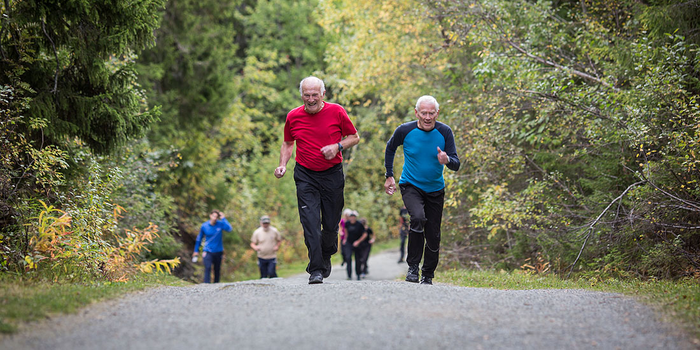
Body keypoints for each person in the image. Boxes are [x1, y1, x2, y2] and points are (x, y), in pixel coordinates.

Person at [274, 76, 360, 284]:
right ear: (301, 95)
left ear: (323, 94)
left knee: (330, 224)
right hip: (305, 175)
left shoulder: (337, 111)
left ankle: (327, 252)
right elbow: (287, 142)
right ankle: (316, 269)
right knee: (310, 223)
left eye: (314, 95)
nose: (310, 99)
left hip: (332, 174)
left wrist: (337, 146)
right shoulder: (293, 116)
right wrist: (283, 164)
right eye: (306, 95)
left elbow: (354, 137)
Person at [384, 95, 460, 285]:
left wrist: (447, 160)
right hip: (411, 185)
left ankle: (428, 274)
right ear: (416, 112)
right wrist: (389, 175)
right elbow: (390, 148)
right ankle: (412, 268)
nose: (427, 117)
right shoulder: (405, 130)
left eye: (431, 113)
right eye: (424, 113)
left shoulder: (445, 132)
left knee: (433, 234)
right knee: (417, 218)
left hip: (435, 189)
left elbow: (456, 164)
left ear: (437, 113)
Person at [193, 210, 232, 283]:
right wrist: (196, 251)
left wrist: (223, 218)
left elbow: (229, 229)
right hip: (208, 250)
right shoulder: (204, 226)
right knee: (207, 267)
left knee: (217, 269)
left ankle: (216, 286)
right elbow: (199, 239)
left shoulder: (220, 224)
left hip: (218, 251)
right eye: (213, 216)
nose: (215, 218)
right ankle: (206, 285)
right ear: (210, 215)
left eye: (216, 217)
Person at [342, 211, 367, 280]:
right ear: (349, 217)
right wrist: (345, 239)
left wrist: (358, 241)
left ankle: (358, 274)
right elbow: (346, 231)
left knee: (357, 259)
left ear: (355, 217)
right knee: (348, 258)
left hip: (357, 244)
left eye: (354, 217)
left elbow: (365, 234)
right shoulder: (347, 223)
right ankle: (349, 275)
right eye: (351, 217)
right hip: (349, 243)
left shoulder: (359, 224)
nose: (352, 218)